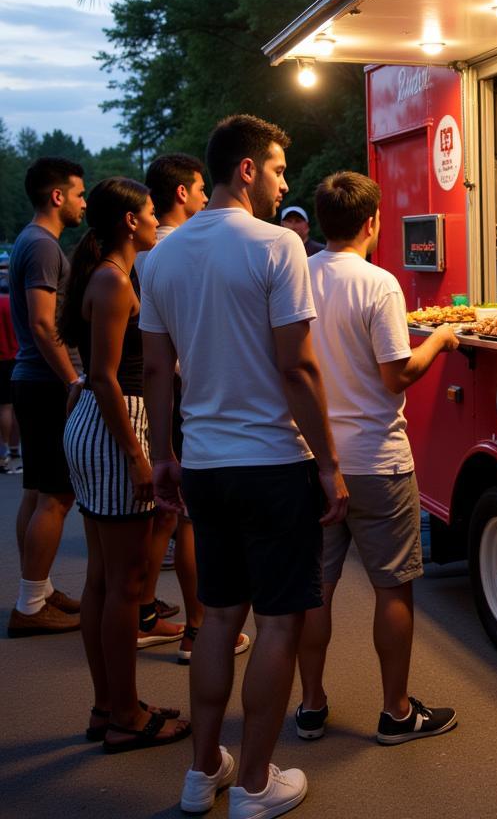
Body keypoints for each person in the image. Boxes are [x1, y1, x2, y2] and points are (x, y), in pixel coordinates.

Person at [141, 114, 348, 819]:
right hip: (272, 461)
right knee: (282, 623)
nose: (288, 180)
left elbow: (155, 365)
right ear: (249, 169)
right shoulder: (277, 247)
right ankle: (256, 784)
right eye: (281, 167)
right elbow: (298, 367)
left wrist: (164, 456)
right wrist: (328, 465)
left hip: (205, 464)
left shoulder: (159, 257)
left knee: (221, 620)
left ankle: (203, 776)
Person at [294, 171, 458, 746]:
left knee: (314, 588)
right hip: (378, 462)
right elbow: (398, 376)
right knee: (393, 588)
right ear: (371, 223)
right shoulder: (379, 284)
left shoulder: (294, 278)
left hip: (314, 460)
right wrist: (440, 338)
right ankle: (396, 712)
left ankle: (311, 706)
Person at [58, 177, 191, 752]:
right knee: (128, 583)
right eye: (149, 214)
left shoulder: (105, 274)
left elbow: (93, 373)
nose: (157, 221)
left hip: (95, 424)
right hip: (118, 427)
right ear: (131, 223)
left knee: (102, 580)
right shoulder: (114, 281)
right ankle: (126, 718)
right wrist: (141, 457)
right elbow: (109, 377)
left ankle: (107, 705)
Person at [134, 153, 231, 657]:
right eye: (198, 189)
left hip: (162, 393)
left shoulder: (145, 252)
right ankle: (198, 626)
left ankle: (146, 607)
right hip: (182, 394)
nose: (203, 198)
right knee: (187, 519)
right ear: (181, 194)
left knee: (166, 517)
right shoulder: (175, 249)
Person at [7, 157, 87, 637]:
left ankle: (36, 590)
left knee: (38, 491)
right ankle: (31, 605)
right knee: (56, 495)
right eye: (79, 193)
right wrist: (72, 381)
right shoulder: (41, 245)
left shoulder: (33, 241)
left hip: (33, 379)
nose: (83, 201)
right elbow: (41, 322)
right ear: (57, 196)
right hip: (44, 381)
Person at [0, 270, 23, 473]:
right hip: (13, 358)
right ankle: (12, 448)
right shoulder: (12, 304)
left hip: (2, 358)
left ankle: (4, 449)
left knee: (4, 407)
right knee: (10, 407)